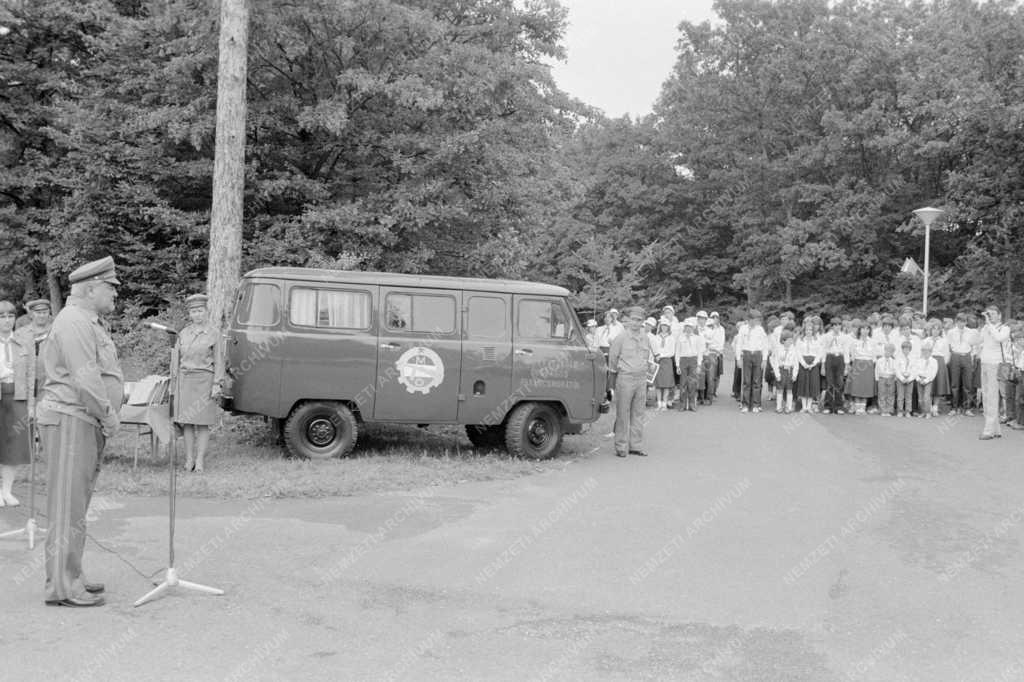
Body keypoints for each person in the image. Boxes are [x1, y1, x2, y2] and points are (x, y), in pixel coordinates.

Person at [38, 256, 123, 607]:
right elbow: (86, 380)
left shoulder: (88, 320)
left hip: (80, 420)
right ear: (91, 289)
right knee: (67, 507)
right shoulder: (74, 321)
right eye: (110, 288)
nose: (115, 294)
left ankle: (72, 574)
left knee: (76, 505)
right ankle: (62, 586)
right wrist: (108, 416)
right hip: (73, 418)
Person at [172, 294, 223, 473]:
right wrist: (174, 382)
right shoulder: (183, 334)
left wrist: (217, 383)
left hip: (204, 381)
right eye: (194, 311)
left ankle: (200, 460)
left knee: (202, 422)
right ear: (190, 314)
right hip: (185, 380)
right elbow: (176, 360)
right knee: (187, 422)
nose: (197, 315)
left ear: (206, 312)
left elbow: (219, 360)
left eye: (200, 311)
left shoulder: (214, 333)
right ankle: (189, 459)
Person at [0, 300, 34, 506]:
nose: (7, 321)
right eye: (2, 317)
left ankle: (7, 491)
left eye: (10, 316)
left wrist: (31, 405)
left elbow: (30, 375)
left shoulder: (23, 343)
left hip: (17, 398)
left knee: (13, 446)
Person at [608, 307, 653, 457]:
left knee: (639, 413)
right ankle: (621, 446)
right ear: (628, 320)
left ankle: (636, 446)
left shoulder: (645, 337)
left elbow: (648, 357)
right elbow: (613, 359)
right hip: (626, 378)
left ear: (642, 322)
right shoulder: (621, 337)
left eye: (639, 320)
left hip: (641, 379)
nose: (636, 323)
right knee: (623, 413)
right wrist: (614, 379)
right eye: (633, 319)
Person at [978, 306, 1011, 440]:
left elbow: (998, 338)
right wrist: (981, 328)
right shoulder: (987, 327)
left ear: (999, 315)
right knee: (986, 396)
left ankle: (988, 430)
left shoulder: (1004, 328)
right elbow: (978, 341)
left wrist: (989, 325)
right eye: (988, 314)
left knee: (992, 397)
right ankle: (996, 429)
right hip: (984, 363)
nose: (989, 317)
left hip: (995, 365)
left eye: (992, 314)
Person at [737, 310, 768, 413]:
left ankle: (756, 404)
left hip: (758, 355)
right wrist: (738, 358)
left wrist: (764, 359)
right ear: (750, 319)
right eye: (755, 319)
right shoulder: (743, 329)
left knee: (757, 381)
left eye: (758, 319)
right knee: (746, 381)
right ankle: (745, 404)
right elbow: (739, 344)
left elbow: (765, 345)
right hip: (746, 354)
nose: (757, 321)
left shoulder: (760, 329)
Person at [947, 312, 976, 416]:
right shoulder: (951, 332)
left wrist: (971, 357)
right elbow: (949, 346)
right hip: (955, 356)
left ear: (966, 322)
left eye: (964, 321)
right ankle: (954, 407)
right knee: (955, 384)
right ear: (956, 321)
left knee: (967, 384)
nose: (962, 324)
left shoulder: (971, 332)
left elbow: (974, 345)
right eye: (960, 321)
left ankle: (967, 408)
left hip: (967, 356)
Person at [675, 317, 705, 412]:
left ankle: (692, 403)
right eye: (687, 327)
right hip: (683, 360)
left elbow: (700, 352)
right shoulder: (680, 338)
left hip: (693, 360)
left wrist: (699, 365)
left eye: (690, 327)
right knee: (683, 383)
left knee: (692, 383)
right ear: (684, 328)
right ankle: (682, 404)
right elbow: (677, 352)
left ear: (693, 328)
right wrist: (677, 365)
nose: (688, 328)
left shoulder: (697, 338)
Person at [821, 319, 849, 415]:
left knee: (839, 382)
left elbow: (846, 351)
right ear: (832, 326)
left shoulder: (844, 337)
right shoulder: (826, 336)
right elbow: (824, 350)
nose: (837, 327)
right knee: (830, 382)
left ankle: (838, 406)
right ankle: (828, 405)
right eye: (835, 325)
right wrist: (823, 365)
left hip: (840, 358)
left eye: (839, 325)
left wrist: (846, 365)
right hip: (830, 357)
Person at [849, 323, 877, 415]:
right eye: (863, 329)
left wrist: (870, 364)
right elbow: (852, 355)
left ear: (869, 331)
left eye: (867, 329)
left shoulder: (872, 342)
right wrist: (855, 363)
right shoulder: (855, 341)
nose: (865, 331)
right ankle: (857, 408)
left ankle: (863, 407)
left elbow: (874, 355)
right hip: (858, 363)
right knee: (857, 385)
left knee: (866, 386)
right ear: (859, 330)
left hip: (868, 364)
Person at [795, 320, 822, 413]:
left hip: (813, 364)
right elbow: (798, 353)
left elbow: (819, 353)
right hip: (803, 364)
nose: (808, 332)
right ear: (804, 330)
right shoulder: (800, 340)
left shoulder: (817, 340)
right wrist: (803, 363)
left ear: (813, 331)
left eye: (810, 330)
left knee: (812, 384)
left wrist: (814, 363)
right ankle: (804, 406)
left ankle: (809, 407)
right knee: (803, 384)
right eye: (807, 330)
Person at [927, 320, 951, 417]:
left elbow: (947, 354)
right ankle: (928, 407)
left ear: (940, 331)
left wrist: (942, 364)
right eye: (934, 329)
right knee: (929, 384)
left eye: (938, 329)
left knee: (938, 386)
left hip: (940, 362)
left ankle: (935, 407)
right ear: (931, 330)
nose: (935, 331)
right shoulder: (926, 340)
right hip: (929, 362)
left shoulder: (943, 341)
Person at [701, 311, 726, 404]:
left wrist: (714, 350)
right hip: (704, 355)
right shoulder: (704, 330)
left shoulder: (719, 330)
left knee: (712, 377)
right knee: (703, 377)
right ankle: (702, 396)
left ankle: (709, 397)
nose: (714, 319)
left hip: (713, 354)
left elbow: (719, 344)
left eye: (716, 317)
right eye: (712, 317)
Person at [772, 330, 799, 413]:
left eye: (791, 340)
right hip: (781, 370)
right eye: (789, 340)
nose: (791, 341)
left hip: (789, 371)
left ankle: (789, 407)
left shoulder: (794, 350)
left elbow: (796, 363)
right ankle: (778, 407)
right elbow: (775, 362)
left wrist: (795, 374)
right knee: (780, 389)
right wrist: (777, 374)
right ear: (783, 340)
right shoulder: (778, 349)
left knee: (789, 389)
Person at [652, 319, 676, 410]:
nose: (664, 328)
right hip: (657, 361)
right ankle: (659, 403)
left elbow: (672, 352)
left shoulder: (671, 338)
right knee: (658, 384)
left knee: (666, 384)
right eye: (662, 326)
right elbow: (654, 348)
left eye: (666, 326)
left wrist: (661, 355)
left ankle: (664, 404)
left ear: (668, 327)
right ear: (660, 326)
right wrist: (656, 355)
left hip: (667, 361)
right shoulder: (656, 337)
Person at [915, 341, 939, 419]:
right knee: (920, 398)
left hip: (928, 380)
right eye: (924, 351)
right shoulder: (919, 360)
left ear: (931, 352)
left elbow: (933, 373)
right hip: (919, 379)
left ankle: (928, 412)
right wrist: (918, 379)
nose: (925, 352)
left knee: (926, 397)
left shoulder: (934, 361)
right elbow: (915, 370)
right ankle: (923, 412)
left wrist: (926, 380)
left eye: (928, 351)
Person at [875, 343, 898, 416]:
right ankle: (882, 410)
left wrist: (894, 378)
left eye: (890, 351)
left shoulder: (894, 361)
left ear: (892, 353)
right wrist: (877, 379)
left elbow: (895, 370)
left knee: (890, 394)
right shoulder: (880, 360)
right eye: (887, 350)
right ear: (884, 350)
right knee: (882, 394)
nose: (888, 352)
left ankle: (889, 410)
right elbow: (877, 370)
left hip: (891, 378)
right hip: (882, 378)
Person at [895, 340, 916, 418]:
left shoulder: (913, 358)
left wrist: (910, 379)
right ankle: (900, 411)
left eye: (907, 349)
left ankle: (908, 411)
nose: (906, 350)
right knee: (900, 396)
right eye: (904, 349)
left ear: (910, 349)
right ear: (902, 349)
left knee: (908, 396)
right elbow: (896, 369)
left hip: (910, 380)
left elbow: (914, 370)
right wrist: (901, 378)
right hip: (900, 379)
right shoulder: (898, 357)